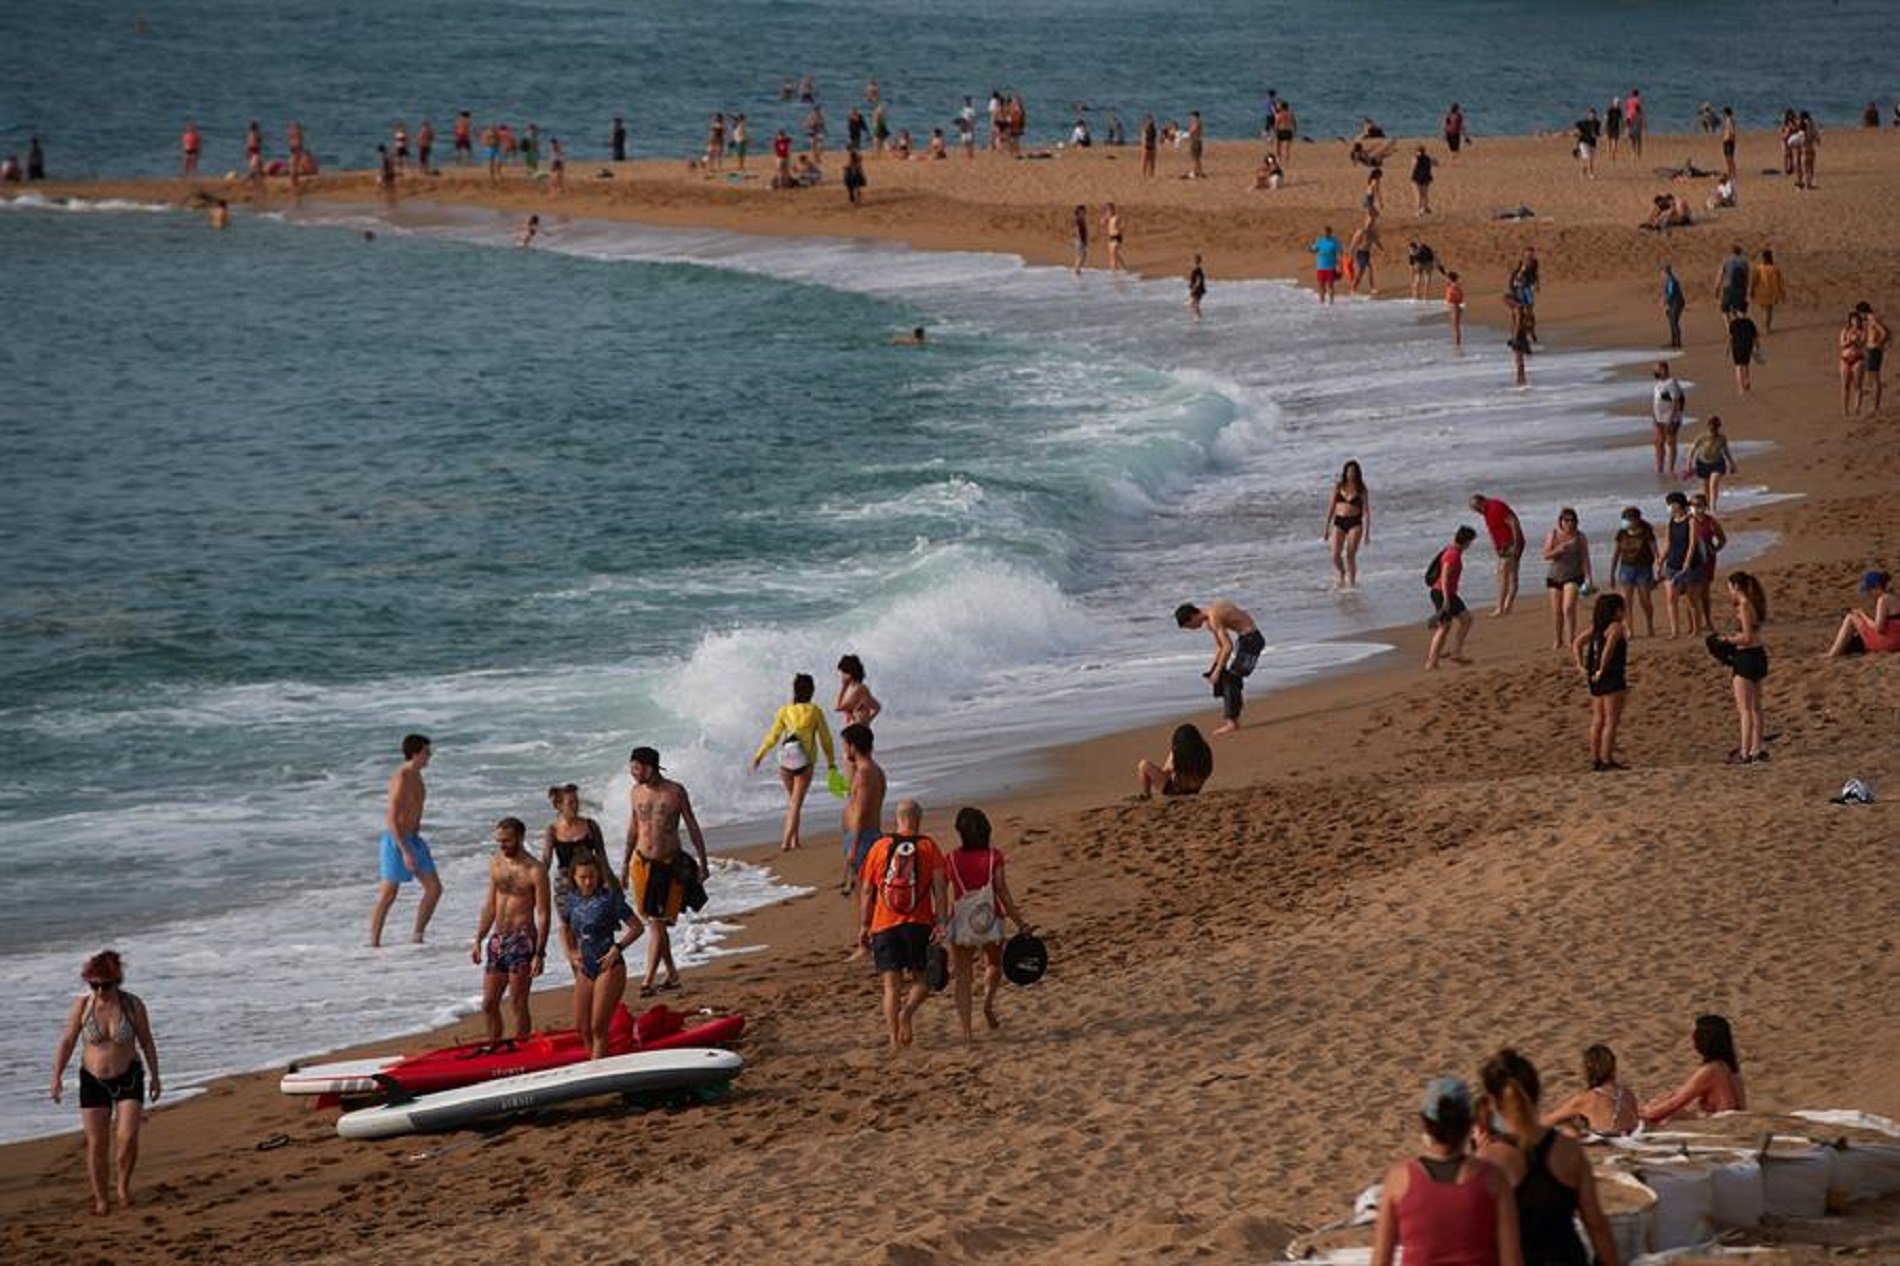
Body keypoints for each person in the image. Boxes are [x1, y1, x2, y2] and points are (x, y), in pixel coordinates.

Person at [1478, 1048, 1621, 1266]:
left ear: (1491, 1102)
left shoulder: (1489, 1159)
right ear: (1537, 1092)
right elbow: (1596, 1224)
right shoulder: (1569, 1150)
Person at [50, 950, 162, 1215]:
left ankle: (123, 1185)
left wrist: (156, 1076)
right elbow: (67, 1041)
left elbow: (146, 1041)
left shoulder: (133, 1005)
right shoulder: (82, 1006)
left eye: (106, 984)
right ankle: (101, 1198)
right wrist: (56, 1076)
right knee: (97, 1142)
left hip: (129, 1076)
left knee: (127, 1137)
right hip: (93, 1080)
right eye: (94, 984)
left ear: (117, 980)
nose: (100, 990)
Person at [1370, 1078, 1523, 1266]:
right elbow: (1512, 1260)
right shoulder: (1493, 1178)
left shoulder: (1399, 1179)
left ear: (1424, 1124)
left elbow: (1380, 1260)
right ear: (1469, 1125)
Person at [856, 799, 949, 1051]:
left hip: (883, 924)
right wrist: (941, 921)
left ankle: (893, 1039)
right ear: (918, 818)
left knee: (890, 986)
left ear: (897, 819)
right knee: (925, 979)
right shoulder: (929, 847)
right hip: (918, 923)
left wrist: (864, 925)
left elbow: (866, 890)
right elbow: (940, 888)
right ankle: (907, 1012)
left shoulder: (879, 846)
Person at [622, 746, 709, 996]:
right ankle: (671, 974)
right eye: (631, 769)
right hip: (641, 863)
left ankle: (647, 981)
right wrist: (624, 865)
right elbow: (632, 829)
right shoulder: (635, 792)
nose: (633, 774)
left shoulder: (675, 792)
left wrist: (702, 862)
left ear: (650, 767)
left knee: (657, 922)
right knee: (654, 923)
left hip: (668, 865)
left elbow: (692, 826)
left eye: (637, 768)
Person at [943, 807, 1028, 1041]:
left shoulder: (951, 858)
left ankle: (966, 1032)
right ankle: (988, 1003)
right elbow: (1002, 892)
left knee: (962, 975)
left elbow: (943, 891)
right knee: (994, 964)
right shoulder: (994, 856)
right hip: (991, 919)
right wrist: (1020, 922)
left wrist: (939, 921)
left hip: (961, 920)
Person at [471, 817, 550, 1042]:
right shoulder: (496, 863)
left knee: (518, 1002)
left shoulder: (535, 870)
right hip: (498, 940)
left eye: (506, 841)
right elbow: (491, 904)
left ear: (520, 838)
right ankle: (495, 1045)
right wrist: (479, 938)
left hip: (522, 940)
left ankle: (521, 1048)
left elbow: (544, 913)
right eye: (499, 841)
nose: (502, 845)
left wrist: (539, 953)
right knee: (489, 1003)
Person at [559, 855, 638, 1058]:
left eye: (592, 876)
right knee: (582, 1027)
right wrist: (570, 952)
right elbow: (564, 927)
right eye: (583, 877)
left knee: (597, 1027)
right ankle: (595, 1064)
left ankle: (598, 1070)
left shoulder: (610, 899)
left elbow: (637, 927)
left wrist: (618, 948)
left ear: (598, 876)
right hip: (585, 968)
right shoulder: (571, 900)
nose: (588, 881)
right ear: (574, 878)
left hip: (609, 966)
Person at [369, 733, 442, 947]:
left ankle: (417, 936)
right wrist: (405, 850)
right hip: (396, 841)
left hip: (415, 840)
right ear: (416, 753)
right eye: (427, 752)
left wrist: (414, 844)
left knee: (434, 889)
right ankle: (374, 943)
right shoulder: (402, 776)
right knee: (389, 893)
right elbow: (391, 817)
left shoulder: (418, 775)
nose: (429, 756)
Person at [752, 673, 838, 851]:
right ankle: (786, 841)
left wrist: (759, 755)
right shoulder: (814, 711)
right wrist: (831, 761)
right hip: (804, 763)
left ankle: (795, 840)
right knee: (795, 804)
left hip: (785, 761)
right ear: (811, 691)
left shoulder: (784, 710)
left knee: (793, 802)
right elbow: (825, 739)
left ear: (795, 690)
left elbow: (773, 736)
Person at [1173, 600, 1265, 734]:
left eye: (1189, 626)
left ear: (1192, 616)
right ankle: (1233, 720)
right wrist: (1214, 669)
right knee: (1224, 677)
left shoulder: (1214, 614)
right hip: (1244, 640)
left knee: (1231, 679)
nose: (1192, 629)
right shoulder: (1210, 623)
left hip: (1252, 640)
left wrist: (1217, 671)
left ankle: (1232, 723)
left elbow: (1228, 647)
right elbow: (1220, 647)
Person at [1642, 1014, 1746, 1124]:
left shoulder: (1711, 1070)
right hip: (1725, 1122)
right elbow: (1677, 1094)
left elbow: (1676, 1102)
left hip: (1721, 1125)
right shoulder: (1727, 1067)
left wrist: (1645, 1115)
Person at [1714, 571, 1769, 763]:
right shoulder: (1753, 604)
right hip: (1757, 656)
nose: (1729, 592)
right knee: (1755, 707)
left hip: (1746, 657)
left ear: (1736, 587)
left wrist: (1727, 640)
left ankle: (1745, 752)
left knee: (1745, 709)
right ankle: (1756, 749)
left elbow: (1747, 637)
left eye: (1729, 587)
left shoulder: (1744, 606)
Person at [542, 783, 614, 931]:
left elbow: (602, 856)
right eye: (571, 803)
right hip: (565, 883)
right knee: (568, 925)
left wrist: (609, 882)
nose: (575, 806)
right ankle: (574, 954)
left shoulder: (590, 826)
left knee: (595, 924)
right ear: (559, 805)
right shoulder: (553, 830)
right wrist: (536, 886)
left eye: (576, 801)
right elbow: (546, 861)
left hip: (590, 880)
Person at [1572, 593, 1630, 770]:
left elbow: (1577, 643)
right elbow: (1608, 650)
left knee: (1598, 719)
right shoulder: (1616, 628)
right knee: (1611, 720)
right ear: (1616, 611)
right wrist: (1602, 669)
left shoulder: (1597, 627)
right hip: (1610, 676)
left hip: (1595, 678)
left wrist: (1580, 665)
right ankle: (1606, 759)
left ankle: (1596, 759)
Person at [1541, 1045, 1640, 1136]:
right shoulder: (1628, 1093)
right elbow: (1635, 1123)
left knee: (1567, 1126)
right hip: (1628, 1137)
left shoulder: (1587, 1099)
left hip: (1604, 1138)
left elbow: (1547, 1121)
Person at [839, 721, 886, 895]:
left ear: (852, 747)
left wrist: (853, 847)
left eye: (845, 746)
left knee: (865, 893)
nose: (844, 751)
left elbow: (860, 813)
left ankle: (866, 923)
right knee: (866, 891)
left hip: (863, 838)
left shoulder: (865, 774)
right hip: (865, 836)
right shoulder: (874, 770)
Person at [1426, 526, 1478, 670]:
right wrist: (1446, 599)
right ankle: (1431, 661)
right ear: (1466, 541)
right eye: (1471, 542)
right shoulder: (1452, 554)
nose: (1470, 545)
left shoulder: (1453, 550)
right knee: (1444, 627)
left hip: (1449, 593)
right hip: (1441, 593)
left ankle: (1456, 652)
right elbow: (1444, 577)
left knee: (1466, 619)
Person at [1542, 508, 1593, 649]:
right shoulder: (1553, 534)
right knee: (1557, 612)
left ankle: (1571, 638)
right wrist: (1558, 550)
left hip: (1574, 576)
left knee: (1568, 608)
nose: (1569, 523)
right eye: (1566, 520)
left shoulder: (1580, 536)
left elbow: (1585, 558)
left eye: (1572, 520)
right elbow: (1545, 555)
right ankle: (1558, 639)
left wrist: (1589, 578)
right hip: (1554, 576)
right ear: (1561, 521)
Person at [1469, 494, 1525, 616]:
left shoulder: (1496, 507)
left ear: (1481, 501)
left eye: (1477, 508)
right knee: (1508, 576)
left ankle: (1502, 607)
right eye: (1475, 510)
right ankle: (1506, 607)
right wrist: (1496, 547)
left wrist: (1516, 544)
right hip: (1503, 547)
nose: (1477, 512)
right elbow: (1493, 531)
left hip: (1510, 544)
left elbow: (1513, 523)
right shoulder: (1487, 513)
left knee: (1504, 576)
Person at [1824, 570, 1900, 656]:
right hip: (1897, 640)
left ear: (1877, 587)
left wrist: (1863, 615)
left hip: (1890, 643)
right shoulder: (1894, 597)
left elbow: (1879, 628)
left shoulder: (1883, 600)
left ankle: (1833, 653)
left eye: (1869, 590)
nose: (1868, 594)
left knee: (1851, 617)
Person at [1611, 506, 1659, 637]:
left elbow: (1655, 552)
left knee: (1645, 600)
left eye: (1628, 519)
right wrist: (1612, 573)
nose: (1626, 522)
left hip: (1644, 569)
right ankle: (1629, 629)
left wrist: (1658, 569)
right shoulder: (1621, 533)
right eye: (1624, 519)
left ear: (1636, 520)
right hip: (1626, 569)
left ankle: (1650, 624)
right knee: (1626, 601)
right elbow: (1616, 554)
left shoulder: (1646, 533)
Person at [1324, 460, 1372, 588]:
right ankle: (1342, 572)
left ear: (1357, 474)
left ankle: (1351, 584)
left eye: (1354, 472)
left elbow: (1366, 511)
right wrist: (1326, 528)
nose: (1351, 474)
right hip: (1339, 521)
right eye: (1349, 471)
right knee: (1335, 555)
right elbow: (1331, 508)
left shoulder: (1361, 489)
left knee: (1350, 554)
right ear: (1345, 473)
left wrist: (1367, 532)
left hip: (1355, 522)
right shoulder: (1338, 487)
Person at [1136, 723, 1214, 799]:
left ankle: (1146, 794)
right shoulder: (1205, 751)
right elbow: (1207, 771)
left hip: (1174, 790)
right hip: (1195, 789)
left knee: (1143, 765)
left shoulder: (1178, 753)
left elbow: (1166, 771)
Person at [1685, 415, 1737, 510]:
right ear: (1708, 426)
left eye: (1715, 426)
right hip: (1702, 463)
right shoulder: (1702, 437)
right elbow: (1692, 449)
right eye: (1711, 426)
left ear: (1718, 426)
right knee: (1706, 489)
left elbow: (1726, 451)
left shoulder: (1722, 438)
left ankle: (1713, 507)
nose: (1713, 428)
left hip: (1717, 464)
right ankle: (1708, 506)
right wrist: (1688, 464)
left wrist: (1732, 464)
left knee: (1713, 485)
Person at [1651, 362, 1686, 474]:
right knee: (1658, 443)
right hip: (1659, 417)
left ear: (1664, 370)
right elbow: (1656, 401)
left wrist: (1671, 418)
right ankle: (1659, 467)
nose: (1655, 372)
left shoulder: (1671, 383)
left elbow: (1675, 401)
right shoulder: (1658, 384)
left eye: (1657, 369)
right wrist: (1654, 416)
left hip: (1670, 417)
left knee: (1671, 442)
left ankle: (1671, 468)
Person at [835, 654, 882, 727]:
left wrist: (843, 687)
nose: (842, 675)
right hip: (854, 727)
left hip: (858, 729)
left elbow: (839, 707)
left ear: (850, 673)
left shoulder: (859, 688)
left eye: (843, 673)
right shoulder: (853, 688)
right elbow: (877, 707)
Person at [1859, 301, 1889, 412]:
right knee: (1872, 378)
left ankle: (1875, 406)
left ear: (1863, 312)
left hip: (1874, 350)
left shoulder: (1872, 319)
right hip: (1872, 350)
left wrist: (1879, 343)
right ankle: (1874, 405)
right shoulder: (1871, 319)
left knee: (1875, 379)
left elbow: (1884, 332)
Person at [1840, 309, 1870, 415]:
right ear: (1850, 321)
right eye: (1853, 320)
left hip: (1858, 359)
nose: (1855, 322)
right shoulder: (1845, 330)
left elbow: (1862, 343)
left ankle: (1857, 408)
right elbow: (1841, 345)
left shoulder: (1862, 331)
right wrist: (1849, 341)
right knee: (1845, 385)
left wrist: (1856, 340)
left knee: (1857, 385)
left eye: (1857, 320)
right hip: (1845, 359)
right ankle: (1845, 409)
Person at [1748, 249, 1784, 333]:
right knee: (1769, 310)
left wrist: (1752, 290)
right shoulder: (1774, 268)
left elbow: (1754, 280)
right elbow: (1779, 282)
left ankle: (1765, 325)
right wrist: (1781, 293)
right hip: (1771, 291)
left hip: (1761, 291)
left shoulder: (1759, 268)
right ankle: (1767, 326)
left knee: (1764, 309)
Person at [1726, 305, 1759, 393]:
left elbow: (1730, 337)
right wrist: (1757, 347)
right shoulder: (1749, 322)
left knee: (1738, 367)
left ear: (1737, 312)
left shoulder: (1733, 323)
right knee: (1746, 365)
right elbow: (1755, 336)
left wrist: (1727, 349)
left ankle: (1741, 387)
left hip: (1737, 347)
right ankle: (1747, 381)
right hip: (1747, 346)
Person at [1715, 244, 1750, 319]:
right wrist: (1746, 289)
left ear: (1731, 252)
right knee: (1739, 310)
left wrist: (1716, 288)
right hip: (1740, 288)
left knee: (1725, 310)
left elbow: (1720, 276)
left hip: (1728, 288)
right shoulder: (1744, 262)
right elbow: (1746, 278)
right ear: (1740, 252)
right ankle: (1742, 325)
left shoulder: (1726, 261)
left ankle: (1729, 328)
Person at [1311, 225, 1343, 303]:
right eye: (1324, 232)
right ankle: (1321, 302)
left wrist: (1339, 266)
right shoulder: (1320, 241)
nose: (1325, 234)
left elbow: (1340, 253)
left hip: (1330, 267)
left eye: (1327, 232)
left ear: (1330, 232)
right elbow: (1314, 250)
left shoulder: (1335, 241)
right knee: (1321, 285)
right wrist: (1311, 245)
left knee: (1330, 285)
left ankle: (1331, 302)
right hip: (1320, 267)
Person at [1349, 221, 1380, 294]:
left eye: (1371, 224)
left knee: (1369, 269)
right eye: (1368, 224)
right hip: (1360, 253)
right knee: (1360, 272)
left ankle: (1372, 288)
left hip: (1367, 253)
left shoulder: (1372, 233)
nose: (1369, 226)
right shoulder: (1361, 232)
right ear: (1365, 224)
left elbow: (1377, 242)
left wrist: (1382, 249)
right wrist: (1351, 254)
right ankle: (1353, 288)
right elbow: (1353, 243)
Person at [1660, 263, 1686, 350]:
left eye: (1662, 272)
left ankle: (1677, 342)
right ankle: (1674, 341)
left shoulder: (1671, 280)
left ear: (1665, 272)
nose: (1661, 274)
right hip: (1673, 303)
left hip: (1677, 303)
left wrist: (1665, 302)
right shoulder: (1668, 280)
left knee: (1674, 321)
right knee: (1672, 321)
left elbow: (1671, 293)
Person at [1573, 109, 1600, 178]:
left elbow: (1597, 133)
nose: (1592, 116)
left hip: (1592, 143)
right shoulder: (1584, 122)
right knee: (1589, 158)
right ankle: (1591, 174)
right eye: (1591, 115)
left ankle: (1583, 171)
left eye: (1594, 115)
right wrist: (1576, 131)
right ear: (1588, 115)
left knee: (1589, 159)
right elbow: (1577, 124)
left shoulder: (1597, 123)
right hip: (1583, 142)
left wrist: (1596, 135)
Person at [1410, 146, 1435, 215]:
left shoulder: (1415, 158)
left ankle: (1418, 211)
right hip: (1426, 178)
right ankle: (1425, 208)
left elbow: (1413, 168)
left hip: (1417, 178)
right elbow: (1435, 163)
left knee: (1418, 195)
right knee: (1425, 194)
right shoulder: (1427, 158)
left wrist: (1411, 176)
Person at [1102, 203, 1125, 271]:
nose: (1109, 212)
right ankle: (1122, 268)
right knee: (1113, 255)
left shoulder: (1116, 217)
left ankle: (1114, 270)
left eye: (1110, 210)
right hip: (1110, 237)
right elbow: (1101, 223)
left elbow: (1123, 224)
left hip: (1117, 237)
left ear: (1113, 210)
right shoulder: (1107, 218)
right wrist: (1104, 219)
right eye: (1107, 210)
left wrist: (1119, 229)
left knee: (1114, 253)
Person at [1444, 270, 1465, 348]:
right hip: (1453, 306)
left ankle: (1457, 344)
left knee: (1456, 327)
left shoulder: (1455, 286)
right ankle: (1456, 342)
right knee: (1454, 326)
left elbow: (1459, 297)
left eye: (1447, 278)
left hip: (1455, 306)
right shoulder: (1452, 285)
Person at [1187, 254, 1207, 320]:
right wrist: (1191, 285)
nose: (1192, 262)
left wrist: (1193, 288)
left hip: (1197, 290)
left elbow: (1199, 280)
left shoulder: (1198, 269)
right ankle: (1197, 318)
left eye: (1193, 260)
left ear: (1196, 261)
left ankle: (1198, 318)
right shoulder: (1198, 269)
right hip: (1198, 289)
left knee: (1195, 304)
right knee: (1193, 304)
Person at [1071, 204, 1089, 275]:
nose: (1085, 212)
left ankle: (1077, 270)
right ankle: (1077, 270)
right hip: (1080, 240)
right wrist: (1082, 240)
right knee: (1082, 255)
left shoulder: (1080, 219)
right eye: (1084, 211)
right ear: (1080, 211)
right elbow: (1077, 230)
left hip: (1079, 240)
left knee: (1081, 255)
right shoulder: (1079, 219)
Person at [1720, 106, 1737, 181]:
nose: (1722, 114)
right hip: (1726, 140)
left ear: (1726, 113)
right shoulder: (1726, 121)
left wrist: (1732, 140)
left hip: (1729, 141)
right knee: (1727, 157)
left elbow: (1732, 131)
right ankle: (1730, 172)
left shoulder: (1730, 121)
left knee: (1730, 158)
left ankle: (1732, 173)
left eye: (1723, 113)